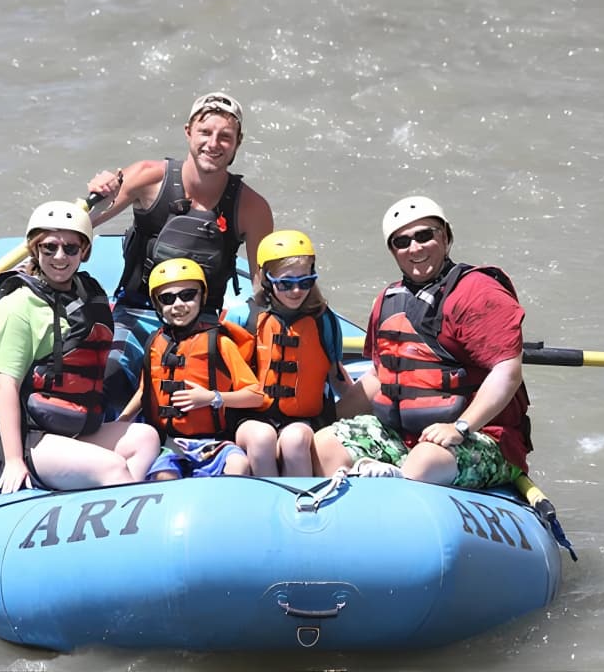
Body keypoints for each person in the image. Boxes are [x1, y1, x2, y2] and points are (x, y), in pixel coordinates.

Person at [312, 195, 533, 488]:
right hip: (403, 433)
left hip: (480, 435)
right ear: (392, 251)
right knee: (322, 443)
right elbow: (380, 375)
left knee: (423, 462)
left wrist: (460, 427)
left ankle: (400, 486)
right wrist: (326, 419)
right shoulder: (389, 299)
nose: (414, 248)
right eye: (401, 242)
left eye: (424, 236)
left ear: (445, 237)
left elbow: (507, 372)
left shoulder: (479, 293)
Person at [86, 92, 274, 416]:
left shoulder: (253, 208)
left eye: (225, 137)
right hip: (137, 312)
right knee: (109, 379)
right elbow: (77, 226)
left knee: (206, 403)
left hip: (202, 323)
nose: (213, 144)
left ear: (237, 143)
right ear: (188, 131)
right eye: (205, 132)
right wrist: (98, 190)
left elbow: (264, 289)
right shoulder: (147, 177)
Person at [0, 201, 162, 494]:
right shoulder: (18, 305)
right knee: (113, 467)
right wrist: (14, 461)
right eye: (49, 247)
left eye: (71, 248)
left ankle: (108, 504)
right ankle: (121, 501)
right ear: (35, 249)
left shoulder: (87, 294)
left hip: (67, 425)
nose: (60, 256)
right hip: (21, 434)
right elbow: (7, 386)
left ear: (84, 251)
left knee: (146, 438)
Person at [119, 258, 264, 480]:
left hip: (215, 442)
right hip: (170, 442)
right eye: (167, 298)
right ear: (158, 305)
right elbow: (144, 391)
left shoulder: (220, 343)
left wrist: (211, 398)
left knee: (239, 464)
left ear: (201, 296)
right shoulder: (155, 343)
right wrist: (123, 420)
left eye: (187, 295)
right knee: (164, 476)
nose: (178, 304)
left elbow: (255, 396)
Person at [227, 230, 353, 477]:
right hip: (250, 418)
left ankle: (303, 504)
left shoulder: (324, 321)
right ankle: (266, 502)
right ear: (266, 278)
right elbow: (225, 375)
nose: (296, 291)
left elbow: (336, 375)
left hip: (304, 420)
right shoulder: (243, 317)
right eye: (286, 283)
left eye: (305, 282)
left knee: (294, 440)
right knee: (262, 438)